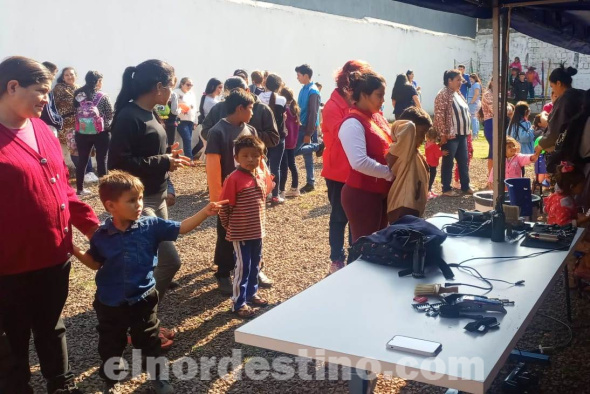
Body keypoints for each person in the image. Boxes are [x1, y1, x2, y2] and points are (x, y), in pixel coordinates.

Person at [0, 56, 100, 394]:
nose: (48, 98)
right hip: (10, 267)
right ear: (12, 87)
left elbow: (62, 187)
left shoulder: (43, 129)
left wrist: (92, 227)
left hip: (55, 256)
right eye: (41, 91)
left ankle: (61, 384)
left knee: (51, 325)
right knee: (12, 336)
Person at [73, 171, 224, 394]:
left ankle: (158, 377)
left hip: (142, 298)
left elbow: (181, 228)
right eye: (131, 200)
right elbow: (95, 264)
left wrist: (204, 212)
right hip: (109, 302)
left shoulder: (150, 225)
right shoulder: (101, 235)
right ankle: (110, 379)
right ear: (110, 206)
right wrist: (73, 248)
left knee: (150, 340)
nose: (139, 204)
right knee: (110, 343)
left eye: (140, 198)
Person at [108, 59, 190, 347]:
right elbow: (117, 164)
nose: (173, 91)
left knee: (149, 264)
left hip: (157, 195)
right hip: (139, 203)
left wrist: (168, 164)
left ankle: (143, 320)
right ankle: (139, 323)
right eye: (171, 84)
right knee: (170, 261)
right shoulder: (128, 116)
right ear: (158, 87)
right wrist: (163, 161)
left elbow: (148, 154)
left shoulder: (151, 112)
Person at [205, 89, 258, 295]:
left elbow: (259, 160)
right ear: (240, 108)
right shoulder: (217, 132)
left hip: (249, 193)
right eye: (250, 108)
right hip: (228, 195)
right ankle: (223, 272)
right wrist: (218, 199)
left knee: (251, 230)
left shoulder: (251, 130)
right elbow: (212, 167)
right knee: (227, 234)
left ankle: (251, 267)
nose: (252, 112)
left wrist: (263, 184)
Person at [321, 59, 372, 273]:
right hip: (338, 172)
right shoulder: (333, 107)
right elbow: (346, 137)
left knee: (357, 216)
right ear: (348, 86)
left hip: (356, 169)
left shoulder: (355, 103)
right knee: (339, 216)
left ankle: (355, 253)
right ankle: (336, 258)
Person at [219, 135, 273, 318]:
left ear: (261, 156)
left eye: (255, 155)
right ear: (237, 158)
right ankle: (238, 302)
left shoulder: (259, 175)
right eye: (245, 155)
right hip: (241, 233)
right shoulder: (233, 179)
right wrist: (230, 227)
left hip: (257, 232)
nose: (250, 159)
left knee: (255, 265)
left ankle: (252, 293)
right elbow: (224, 206)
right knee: (242, 267)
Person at [339, 70, 393, 244]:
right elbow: (359, 162)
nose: (383, 100)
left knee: (379, 245)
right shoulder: (352, 123)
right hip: (362, 195)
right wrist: (391, 173)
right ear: (364, 95)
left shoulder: (376, 117)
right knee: (365, 248)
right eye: (379, 95)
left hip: (379, 193)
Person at [201, 76, 279, 150]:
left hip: (253, 159)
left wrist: (247, 137)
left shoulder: (262, 109)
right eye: (229, 96)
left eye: (237, 95)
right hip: (224, 158)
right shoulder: (218, 108)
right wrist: (222, 136)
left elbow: (273, 138)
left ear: (247, 91)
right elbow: (205, 130)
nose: (233, 99)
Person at [386, 107, 432, 223]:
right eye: (421, 133)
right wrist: (409, 124)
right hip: (402, 208)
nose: (423, 139)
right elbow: (408, 128)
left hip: (411, 207)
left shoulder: (414, 152)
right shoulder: (403, 149)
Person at [535, 65, 584, 172]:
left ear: (558, 83)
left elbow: (555, 132)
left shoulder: (565, 100)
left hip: (570, 154)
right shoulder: (581, 94)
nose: (553, 90)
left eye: (552, 87)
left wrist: (540, 146)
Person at [73, 71, 114, 196]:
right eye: (100, 81)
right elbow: (110, 113)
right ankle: (105, 190)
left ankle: (80, 189)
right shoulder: (103, 96)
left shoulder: (78, 94)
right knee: (102, 160)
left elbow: (75, 110)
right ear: (97, 81)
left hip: (82, 131)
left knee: (82, 160)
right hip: (100, 133)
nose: (101, 83)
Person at [434, 69, 472, 197]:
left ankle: (465, 186)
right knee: (448, 163)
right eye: (458, 80)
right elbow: (439, 116)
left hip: (462, 134)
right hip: (451, 136)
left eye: (461, 80)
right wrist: (443, 134)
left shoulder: (458, 93)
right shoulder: (443, 94)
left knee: (463, 161)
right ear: (449, 81)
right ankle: (446, 188)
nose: (460, 82)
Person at [53, 66, 93, 177]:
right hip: (68, 122)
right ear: (63, 77)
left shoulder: (81, 88)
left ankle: (90, 171)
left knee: (87, 145)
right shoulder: (59, 88)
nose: (69, 77)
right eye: (66, 75)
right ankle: (83, 173)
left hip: (85, 120)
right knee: (74, 147)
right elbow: (54, 105)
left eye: (71, 74)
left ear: (76, 75)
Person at [294, 64, 325, 194]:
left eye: (299, 75)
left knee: (296, 152)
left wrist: (309, 132)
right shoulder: (303, 89)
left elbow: (313, 113)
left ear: (306, 76)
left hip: (308, 127)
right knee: (306, 155)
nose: (297, 78)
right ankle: (310, 182)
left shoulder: (313, 91)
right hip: (301, 126)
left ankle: (318, 146)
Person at [259, 74, 287, 205]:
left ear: (265, 84)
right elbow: (282, 118)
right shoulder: (281, 99)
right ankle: (275, 195)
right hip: (278, 136)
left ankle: (264, 193)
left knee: (263, 165)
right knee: (276, 167)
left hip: (263, 136)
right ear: (279, 85)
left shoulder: (258, 98)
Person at [544, 162, 587, 226]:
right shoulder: (564, 203)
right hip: (560, 234)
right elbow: (563, 225)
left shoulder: (555, 196)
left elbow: (546, 209)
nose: (584, 187)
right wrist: (584, 219)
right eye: (581, 186)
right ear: (571, 186)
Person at [280, 86, 301, 199]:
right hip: (293, 141)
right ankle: (295, 187)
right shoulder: (295, 109)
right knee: (292, 164)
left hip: (286, 141)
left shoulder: (285, 111)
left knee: (284, 166)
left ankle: (281, 189)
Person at [174, 77, 198, 160]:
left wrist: (195, 121)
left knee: (188, 139)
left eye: (191, 85)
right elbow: (173, 105)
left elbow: (195, 108)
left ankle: (187, 157)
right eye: (188, 84)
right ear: (182, 84)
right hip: (181, 119)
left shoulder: (191, 94)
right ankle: (189, 158)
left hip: (190, 119)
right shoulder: (176, 92)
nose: (190, 86)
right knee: (187, 138)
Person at [40, 61, 63, 137]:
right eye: (53, 74)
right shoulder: (45, 88)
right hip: (47, 125)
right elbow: (48, 110)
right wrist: (59, 121)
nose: (54, 77)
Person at [424, 128, 447, 199]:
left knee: (428, 178)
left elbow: (434, 149)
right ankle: (428, 192)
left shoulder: (427, 144)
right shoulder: (433, 145)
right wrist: (442, 153)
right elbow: (437, 154)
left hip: (428, 163)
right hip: (433, 164)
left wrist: (439, 145)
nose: (432, 141)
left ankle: (428, 190)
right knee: (431, 178)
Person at [481, 78, 494, 178]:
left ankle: (494, 176)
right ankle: (490, 177)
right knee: (493, 150)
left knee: (496, 150)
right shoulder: (488, 94)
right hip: (490, 122)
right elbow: (495, 109)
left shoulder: (499, 94)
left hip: (497, 122)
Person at [466, 73, 481, 139]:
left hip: (473, 103)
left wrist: (471, 101)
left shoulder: (476, 84)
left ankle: (475, 134)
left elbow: (476, 94)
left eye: (471, 79)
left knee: (473, 118)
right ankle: (476, 133)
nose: (470, 80)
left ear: (475, 78)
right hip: (473, 103)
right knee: (475, 118)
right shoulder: (473, 84)